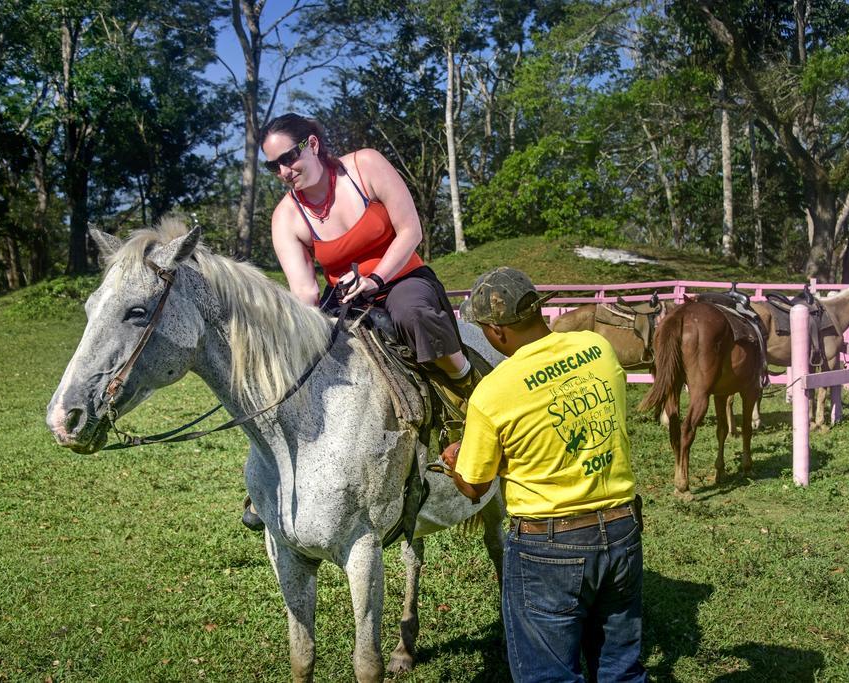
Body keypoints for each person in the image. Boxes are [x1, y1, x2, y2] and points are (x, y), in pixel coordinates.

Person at [243, 114, 479, 531]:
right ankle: (277, 469)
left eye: (288, 158)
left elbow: (410, 230)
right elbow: (305, 293)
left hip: (403, 276)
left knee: (412, 315)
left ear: (312, 145)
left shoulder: (365, 167)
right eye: (272, 166)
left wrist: (376, 277)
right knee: (308, 367)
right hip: (347, 300)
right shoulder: (286, 217)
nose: (283, 171)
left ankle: (469, 392)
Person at [442, 267, 647, 682]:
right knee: (621, 671)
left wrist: (455, 463)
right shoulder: (597, 348)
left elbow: (475, 486)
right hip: (622, 530)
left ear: (496, 332)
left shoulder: (493, 393)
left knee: (548, 675)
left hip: (550, 547)